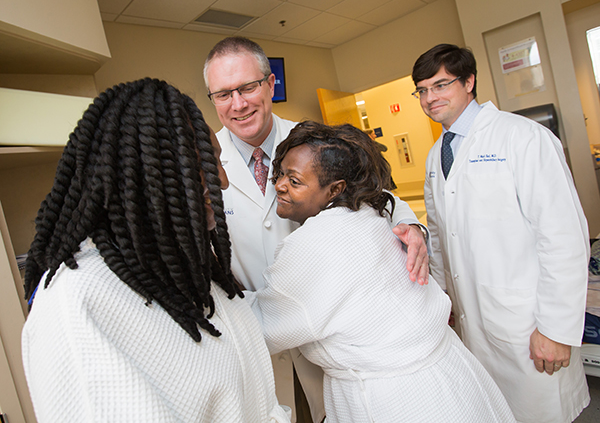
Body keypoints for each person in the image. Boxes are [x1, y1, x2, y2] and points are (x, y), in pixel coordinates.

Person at [21, 78, 291, 423]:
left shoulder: (190, 269)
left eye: (219, 162)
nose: (222, 180)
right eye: (206, 164)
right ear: (147, 174)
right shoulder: (77, 303)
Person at [203, 36, 429, 422]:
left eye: (247, 87)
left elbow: (378, 196)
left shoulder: (315, 142)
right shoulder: (205, 158)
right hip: (258, 340)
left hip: (332, 343)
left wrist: (411, 226)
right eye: (223, 94)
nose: (237, 104)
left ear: (271, 84)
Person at [248, 121, 516, 423]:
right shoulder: (368, 209)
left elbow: (263, 326)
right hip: (452, 376)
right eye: (280, 173)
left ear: (336, 189)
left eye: (294, 181)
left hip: (394, 400)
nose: (279, 185)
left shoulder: (311, 244)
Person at [412, 44, 590, 422]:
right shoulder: (435, 155)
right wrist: (441, 298)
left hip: (528, 323)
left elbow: (563, 237)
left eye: (441, 85)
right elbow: (442, 239)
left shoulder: (522, 138)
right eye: (422, 90)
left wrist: (556, 329)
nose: (430, 98)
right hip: (475, 323)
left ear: (469, 81)